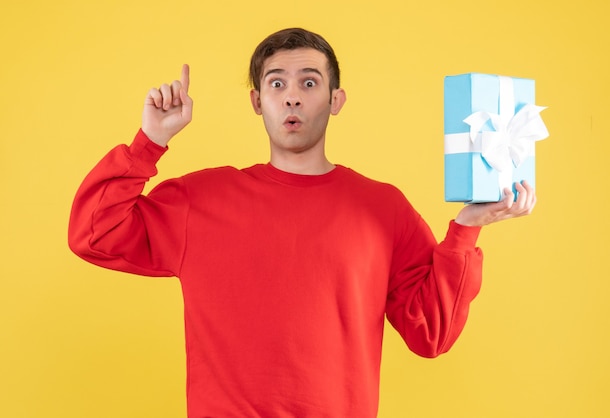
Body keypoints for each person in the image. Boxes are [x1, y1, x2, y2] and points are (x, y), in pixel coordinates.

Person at [68, 28, 536, 417]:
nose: (292, 96)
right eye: (277, 84)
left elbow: (431, 333)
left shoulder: (383, 208)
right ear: (256, 101)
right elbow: (94, 233)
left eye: (309, 83)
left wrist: (467, 228)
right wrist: (150, 141)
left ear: (336, 99)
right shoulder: (199, 199)